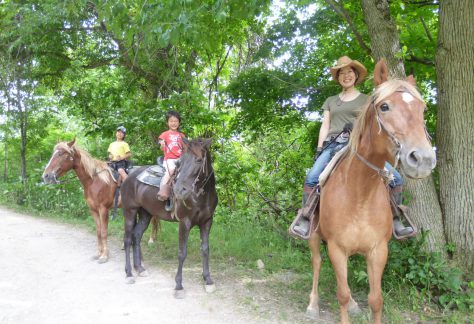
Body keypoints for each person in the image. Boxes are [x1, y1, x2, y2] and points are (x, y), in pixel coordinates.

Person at [291, 56, 412, 238]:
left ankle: (396, 219)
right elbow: (325, 125)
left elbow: (372, 123)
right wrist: (319, 149)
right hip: (333, 144)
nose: (346, 76)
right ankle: (305, 219)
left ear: (355, 76)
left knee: (395, 178)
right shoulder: (331, 101)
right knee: (312, 177)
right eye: (342, 73)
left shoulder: (366, 99)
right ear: (338, 77)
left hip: (358, 146)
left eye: (349, 72)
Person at [157, 110, 185, 205]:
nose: (173, 123)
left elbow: (184, 149)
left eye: (176, 121)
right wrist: (162, 144)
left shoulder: (182, 135)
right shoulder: (164, 134)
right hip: (170, 159)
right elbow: (161, 148)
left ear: (179, 122)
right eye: (171, 121)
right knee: (171, 171)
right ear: (167, 122)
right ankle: (162, 191)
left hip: (181, 159)